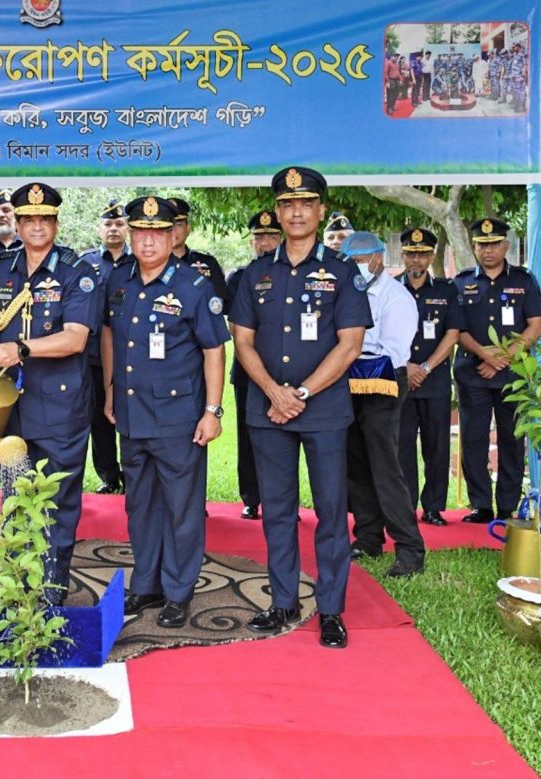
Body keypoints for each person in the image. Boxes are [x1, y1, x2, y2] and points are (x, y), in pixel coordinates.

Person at [231, 167, 372, 649]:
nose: (296, 212)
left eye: (306, 204)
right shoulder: (256, 273)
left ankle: (330, 609)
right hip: (268, 411)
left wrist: (302, 393)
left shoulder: (342, 271)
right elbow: (242, 341)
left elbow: (350, 344)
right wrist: (275, 392)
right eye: (287, 204)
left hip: (324, 410)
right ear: (277, 211)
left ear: (320, 211)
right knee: (278, 510)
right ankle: (284, 601)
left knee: (332, 510)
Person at [0, 182, 98, 603]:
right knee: (15, 494)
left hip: (61, 407)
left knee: (56, 503)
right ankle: (18, 583)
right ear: (17, 224)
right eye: (29, 219)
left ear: (55, 223)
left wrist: (21, 349)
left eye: (45, 219)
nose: (37, 226)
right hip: (11, 410)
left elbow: (75, 338)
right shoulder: (1, 268)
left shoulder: (78, 272)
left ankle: (51, 590)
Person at [103, 196, 228, 628]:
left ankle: (178, 592)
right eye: (140, 232)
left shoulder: (194, 286)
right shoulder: (120, 283)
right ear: (132, 236)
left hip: (178, 419)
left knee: (181, 509)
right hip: (133, 415)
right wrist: (109, 390)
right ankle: (147, 585)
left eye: (157, 233)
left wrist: (213, 411)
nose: (149, 241)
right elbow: (110, 337)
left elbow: (215, 350)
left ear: (172, 235)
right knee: (140, 507)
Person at [339, 231, 426, 576]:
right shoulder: (347, 293)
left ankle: (409, 549)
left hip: (384, 384)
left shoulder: (397, 297)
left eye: (363, 259)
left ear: (378, 258)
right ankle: (368, 537)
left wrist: (347, 356)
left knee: (384, 466)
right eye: (352, 260)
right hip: (347, 385)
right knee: (355, 464)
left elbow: (393, 352)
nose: (358, 266)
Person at [454, 218, 541, 523]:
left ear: (506, 245)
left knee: (511, 439)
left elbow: (535, 324)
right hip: (473, 373)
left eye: (494, 244)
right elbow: (456, 328)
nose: (488, 250)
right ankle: (480, 505)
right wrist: (485, 354)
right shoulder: (462, 281)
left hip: (513, 376)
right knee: (474, 439)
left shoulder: (524, 280)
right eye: (482, 244)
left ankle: (507, 504)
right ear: (474, 247)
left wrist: (503, 357)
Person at [395, 227, 464, 527]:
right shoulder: (391, 288)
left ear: (432, 256)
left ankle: (434, 507)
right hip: (400, 378)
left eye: (422, 254)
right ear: (403, 255)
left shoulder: (446, 289)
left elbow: (452, 333)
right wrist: (407, 366)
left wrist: (424, 368)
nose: (416, 260)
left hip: (433, 380)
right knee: (402, 446)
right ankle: (405, 505)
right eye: (411, 253)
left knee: (437, 446)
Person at [226, 209, 283, 520]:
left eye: (271, 236)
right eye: (259, 237)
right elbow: (236, 327)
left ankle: (282, 500)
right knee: (249, 437)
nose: (265, 243)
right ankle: (251, 497)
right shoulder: (239, 278)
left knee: (286, 438)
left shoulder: (293, 274)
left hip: (287, 371)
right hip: (249, 371)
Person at [79, 199, 131, 494]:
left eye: (119, 223)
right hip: (93, 354)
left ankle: (133, 473)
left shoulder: (138, 261)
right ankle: (109, 476)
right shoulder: (86, 262)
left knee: (131, 414)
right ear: (99, 229)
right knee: (98, 417)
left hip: (129, 353)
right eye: (108, 224)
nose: (113, 228)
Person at [169, 197, 228, 304]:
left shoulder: (208, 263)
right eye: (168, 225)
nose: (173, 230)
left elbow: (218, 303)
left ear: (188, 228)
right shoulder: (151, 263)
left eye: (178, 224)